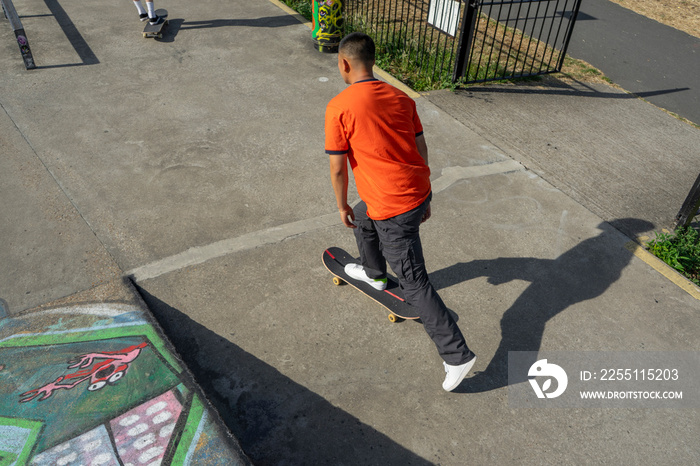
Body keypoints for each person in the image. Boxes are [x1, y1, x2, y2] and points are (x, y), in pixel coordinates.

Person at [325, 32, 476, 391]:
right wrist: (425, 196)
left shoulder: (339, 107)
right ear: (372, 61)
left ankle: (456, 355)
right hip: (415, 192)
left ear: (344, 64)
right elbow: (421, 147)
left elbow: (337, 168)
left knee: (414, 281)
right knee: (364, 218)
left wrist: (340, 203)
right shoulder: (401, 97)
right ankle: (374, 273)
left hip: (394, 208)